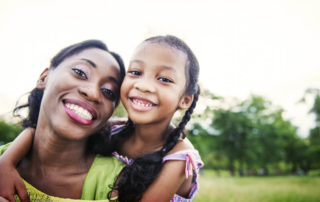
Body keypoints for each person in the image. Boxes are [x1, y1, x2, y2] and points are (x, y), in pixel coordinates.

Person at [1, 35, 204, 202]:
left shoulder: (179, 158)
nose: (143, 85)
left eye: (164, 79)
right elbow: (39, 131)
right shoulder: (117, 129)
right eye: (135, 72)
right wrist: (6, 162)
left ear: (185, 100)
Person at [0, 39, 127, 201]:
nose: (93, 93)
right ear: (44, 77)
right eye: (80, 73)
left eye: (108, 92)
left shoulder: (118, 184)